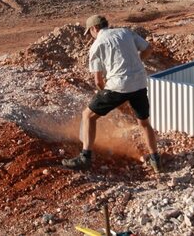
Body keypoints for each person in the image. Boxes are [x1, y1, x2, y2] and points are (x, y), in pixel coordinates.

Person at [62, 15, 161, 172]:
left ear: (94, 28)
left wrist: (105, 93)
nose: (90, 36)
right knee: (143, 123)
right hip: (139, 83)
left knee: (88, 115)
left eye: (90, 32)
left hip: (117, 85)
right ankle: (155, 160)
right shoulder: (126, 32)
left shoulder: (97, 45)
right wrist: (137, 63)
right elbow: (148, 49)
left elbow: (98, 81)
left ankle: (85, 157)